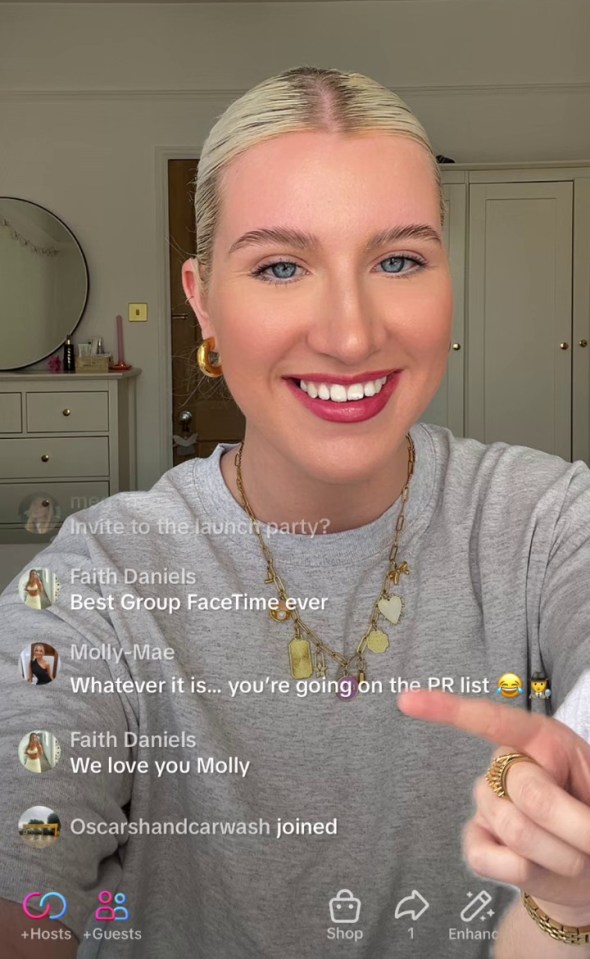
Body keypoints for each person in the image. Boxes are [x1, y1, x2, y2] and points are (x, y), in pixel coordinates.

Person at [0, 65, 589, 959]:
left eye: (399, 259)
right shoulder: (100, 579)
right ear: (203, 300)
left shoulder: (545, 521)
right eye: (281, 265)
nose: (350, 335)